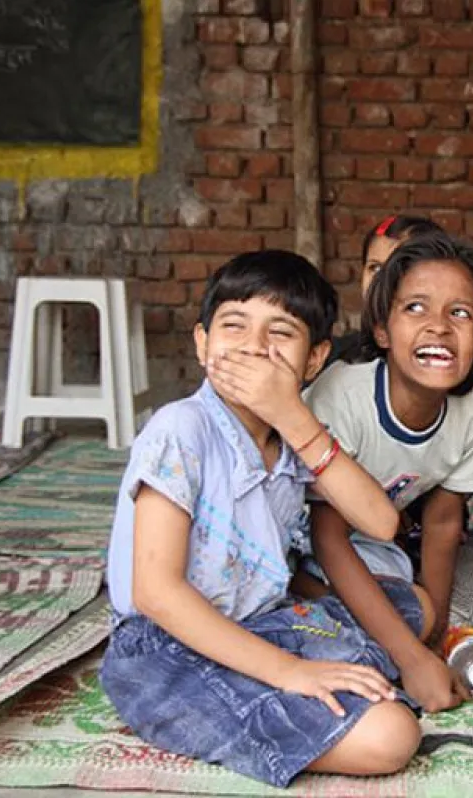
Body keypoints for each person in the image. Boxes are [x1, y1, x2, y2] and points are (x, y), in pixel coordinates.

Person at [101, 251, 421, 787]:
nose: (253, 346)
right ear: (203, 342)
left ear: (314, 360)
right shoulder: (181, 428)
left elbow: (381, 521)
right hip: (162, 651)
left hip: (258, 621)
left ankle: (298, 689)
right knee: (391, 735)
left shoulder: (290, 434)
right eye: (234, 325)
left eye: (280, 332)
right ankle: (245, 705)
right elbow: (156, 594)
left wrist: (292, 415)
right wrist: (289, 671)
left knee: (411, 606)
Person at [297, 232, 473, 714]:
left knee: (419, 605)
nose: (439, 326)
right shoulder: (343, 396)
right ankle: (296, 597)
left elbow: (443, 522)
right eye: (415, 308)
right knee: (398, 623)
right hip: (287, 533)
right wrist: (411, 657)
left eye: (461, 313)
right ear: (382, 330)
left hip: (366, 542)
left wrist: (433, 638)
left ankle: (329, 613)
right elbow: (326, 536)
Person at [327, 214, 443, 366]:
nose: (382, 280)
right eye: (374, 268)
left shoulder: (443, 362)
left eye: (400, 267)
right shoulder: (337, 360)